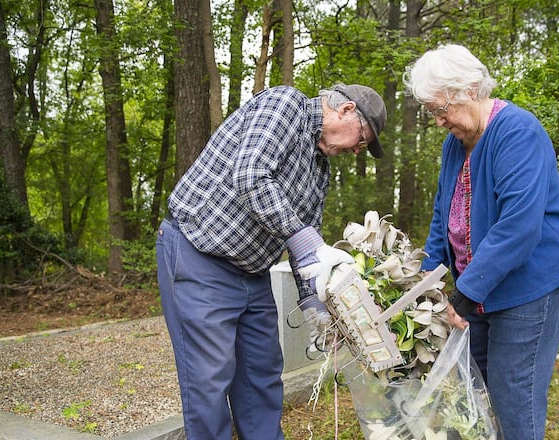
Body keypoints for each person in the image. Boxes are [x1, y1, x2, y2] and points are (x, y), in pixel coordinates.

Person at [156, 84, 386, 439]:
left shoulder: (320, 169)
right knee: (209, 383)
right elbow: (251, 175)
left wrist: (317, 309)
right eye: (362, 138)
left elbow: (305, 251)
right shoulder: (286, 104)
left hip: (252, 273)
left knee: (261, 377)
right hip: (199, 256)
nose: (358, 150)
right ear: (345, 110)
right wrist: (308, 240)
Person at [403, 44, 559, 440]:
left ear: (467, 90)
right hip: (481, 289)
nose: (438, 121)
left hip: (528, 289)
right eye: (433, 112)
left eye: (440, 109)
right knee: (474, 392)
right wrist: (423, 285)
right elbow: (442, 217)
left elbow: (518, 229)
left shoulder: (517, 132)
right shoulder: (455, 143)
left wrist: (461, 297)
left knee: (512, 395)